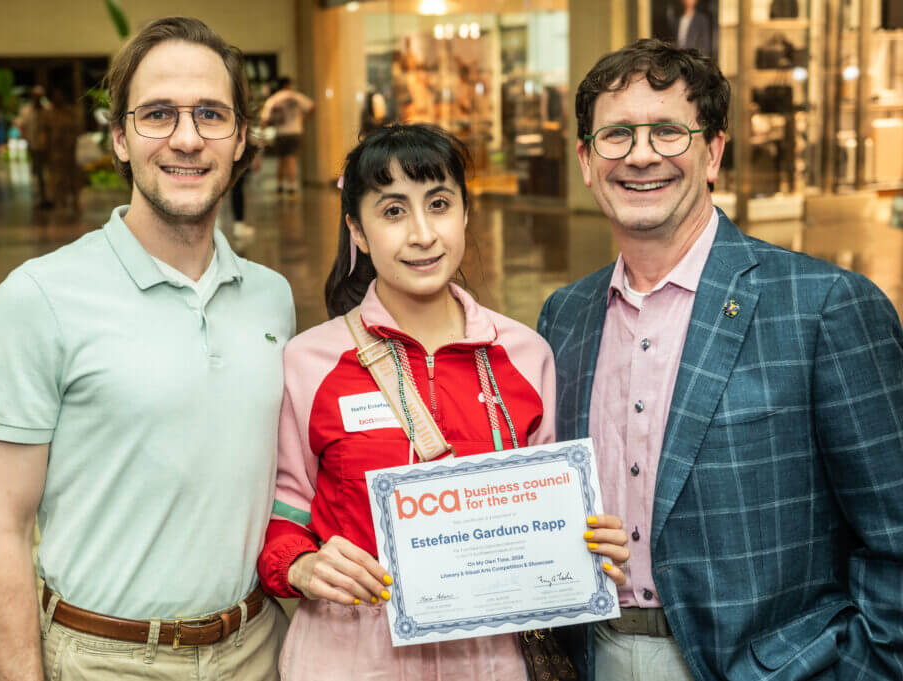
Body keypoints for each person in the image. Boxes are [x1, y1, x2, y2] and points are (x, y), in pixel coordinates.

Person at [538, 39, 903, 681]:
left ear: (713, 152)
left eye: (669, 132)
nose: (642, 154)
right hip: (594, 655)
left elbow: (895, 534)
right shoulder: (563, 316)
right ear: (587, 160)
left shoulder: (825, 307)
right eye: (617, 134)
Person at [0, 17, 294, 681]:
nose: (187, 137)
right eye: (157, 114)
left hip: (260, 647)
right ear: (118, 137)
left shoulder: (271, 297)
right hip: (106, 660)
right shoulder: (38, 299)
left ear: (241, 139)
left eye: (210, 113)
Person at [257, 123, 630, 680]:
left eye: (438, 204)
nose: (423, 233)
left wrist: (589, 543)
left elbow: (550, 513)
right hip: (349, 657)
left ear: (465, 215)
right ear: (357, 230)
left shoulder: (526, 356)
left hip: (492, 661)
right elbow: (282, 516)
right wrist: (304, 566)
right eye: (393, 212)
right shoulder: (310, 361)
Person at [260, 76, 314, 194]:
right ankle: (291, 186)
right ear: (288, 85)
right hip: (295, 132)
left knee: (282, 160)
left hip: (281, 133)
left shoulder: (273, 100)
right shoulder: (297, 97)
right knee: (291, 158)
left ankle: (280, 185)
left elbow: (265, 119)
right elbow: (312, 107)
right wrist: (302, 119)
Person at [44, 88, 82, 214]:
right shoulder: (49, 114)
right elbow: (46, 132)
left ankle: (75, 200)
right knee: (57, 177)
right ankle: (60, 201)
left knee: (72, 176)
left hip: (69, 149)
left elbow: (77, 129)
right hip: (55, 151)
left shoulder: (69, 112)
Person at [16, 85, 51, 208]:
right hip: (34, 146)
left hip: (46, 147)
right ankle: (39, 197)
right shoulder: (26, 110)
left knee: (46, 173)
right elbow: (22, 126)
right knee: (37, 172)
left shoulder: (47, 110)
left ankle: (47, 197)